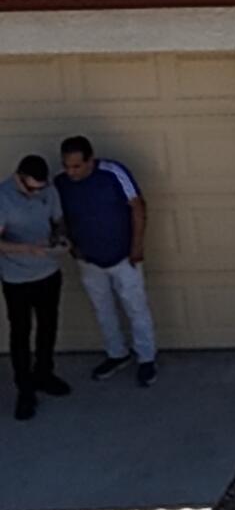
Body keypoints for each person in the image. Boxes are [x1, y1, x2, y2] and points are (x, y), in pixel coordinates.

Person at [56, 137, 155, 387]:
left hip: (123, 256)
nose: (71, 172)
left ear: (90, 160)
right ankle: (116, 353)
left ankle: (146, 358)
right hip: (88, 259)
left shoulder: (113, 173)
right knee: (102, 308)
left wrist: (136, 247)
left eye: (77, 166)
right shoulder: (61, 184)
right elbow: (58, 218)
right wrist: (72, 248)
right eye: (67, 166)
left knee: (136, 307)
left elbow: (138, 207)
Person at [1, 155, 69, 420]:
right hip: (16, 278)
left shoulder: (48, 190)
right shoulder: (3, 197)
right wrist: (27, 249)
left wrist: (60, 237)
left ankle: (44, 374)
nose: (37, 192)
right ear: (19, 178)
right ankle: (25, 390)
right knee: (21, 333)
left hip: (48, 273)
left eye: (41, 187)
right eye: (31, 188)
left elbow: (58, 219)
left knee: (48, 326)